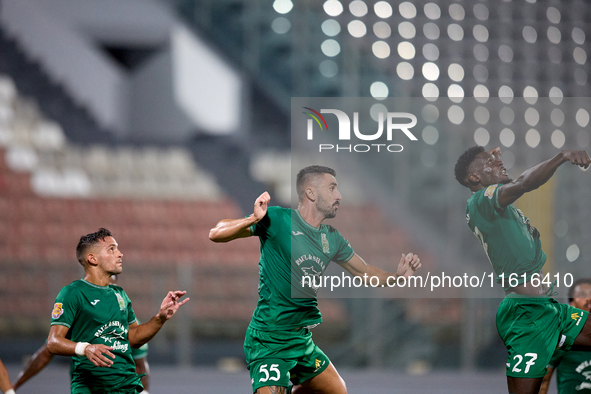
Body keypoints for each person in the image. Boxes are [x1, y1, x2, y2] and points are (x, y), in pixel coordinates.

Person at [209, 165, 421, 394]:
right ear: (311, 193)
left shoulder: (331, 238)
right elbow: (216, 233)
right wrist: (252, 219)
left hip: (301, 341)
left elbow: (365, 272)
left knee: (338, 392)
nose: (338, 195)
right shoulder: (278, 219)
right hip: (270, 340)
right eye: (332, 188)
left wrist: (396, 277)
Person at [454, 146, 591, 394]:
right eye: (490, 163)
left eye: (497, 159)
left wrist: (490, 159)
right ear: (474, 178)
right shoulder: (480, 202)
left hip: (550, 309)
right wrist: (561, 157)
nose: (499, 163)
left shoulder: (505, 211)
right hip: (525, 315)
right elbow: (523, 183)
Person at [47, 228, 188, 393]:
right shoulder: (73, 293)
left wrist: (160, 318)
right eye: (112, 249)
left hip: (127, 385)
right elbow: (53, 342)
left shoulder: (120, 294)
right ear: (92, 258)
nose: (120, 254)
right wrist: (85, 348)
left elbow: (134, 338)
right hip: (92, 387)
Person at [13, 275, 151, 393]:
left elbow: (140, 365)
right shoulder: (79, 318)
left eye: (110, 283)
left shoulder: (130, 327)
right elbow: (46, 353)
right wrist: (13, 387)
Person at [539, 279, 591, 394]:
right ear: (572, 304)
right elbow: (543, 380)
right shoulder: (561, 338)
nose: (589, 298)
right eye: (582, 295)